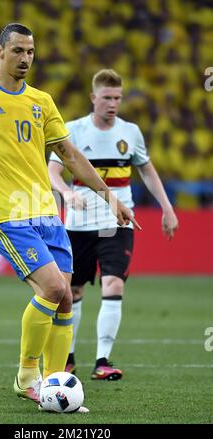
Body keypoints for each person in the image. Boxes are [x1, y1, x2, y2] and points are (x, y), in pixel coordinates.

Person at [0, 24, 141, 413]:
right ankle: (27, 376)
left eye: (30, 51)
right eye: (17, 51)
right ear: (0, 51)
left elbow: (70, 154)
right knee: (52, 289)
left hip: (47, 212)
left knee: (65, 301)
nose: (25, 58)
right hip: (6, 214)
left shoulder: (42, 101)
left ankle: (55, 383)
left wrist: (110, 197)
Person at [48, 68, 178, 381]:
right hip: (78, 224)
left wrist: (167, 208)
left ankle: (103, 360)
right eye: (107, 97)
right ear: (94, 98)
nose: (113, 103)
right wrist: (66, 192)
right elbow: (52, 171)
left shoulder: (130, 132)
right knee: (72, 291)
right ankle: (67, 358)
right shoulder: (74, 130)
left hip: (116, 221)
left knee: (113, 283)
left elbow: (147, 171)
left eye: (117, 98)